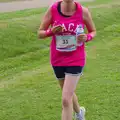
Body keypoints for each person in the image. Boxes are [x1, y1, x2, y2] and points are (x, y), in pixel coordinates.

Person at [38, 0, 96, 120]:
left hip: (76, 59)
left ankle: (78, 114)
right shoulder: (53, 9)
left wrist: (87, 37)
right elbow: (40, 33)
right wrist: (51, 31)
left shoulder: (83, 12)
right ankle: (80, 113)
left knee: (65, 99)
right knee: (67, 93)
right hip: (57, 59)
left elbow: (93, 31)